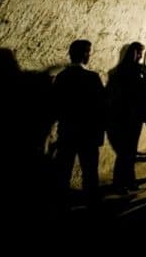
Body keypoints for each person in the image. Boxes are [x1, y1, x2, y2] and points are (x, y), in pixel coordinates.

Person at [52, 39, 106, 203]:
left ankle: (61, 203)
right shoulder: (92, 77)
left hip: (67, 130)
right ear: (84, 55)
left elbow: (56, 105)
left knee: (64, 170)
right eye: (89, 52)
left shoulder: (62, 77)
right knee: (90, 171)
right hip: (88, 133)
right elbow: (101, 106)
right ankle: (91, 204)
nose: (90, 55)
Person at [107, 42, 146, 193]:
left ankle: (126, 182)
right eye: (141, 53)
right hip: (131, 118)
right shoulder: (137, 72)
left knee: (126, 152)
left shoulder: (118, 71)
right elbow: (143, 97)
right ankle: (123, 183)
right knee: (127, 153)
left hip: (122, 116)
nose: (142, 56)